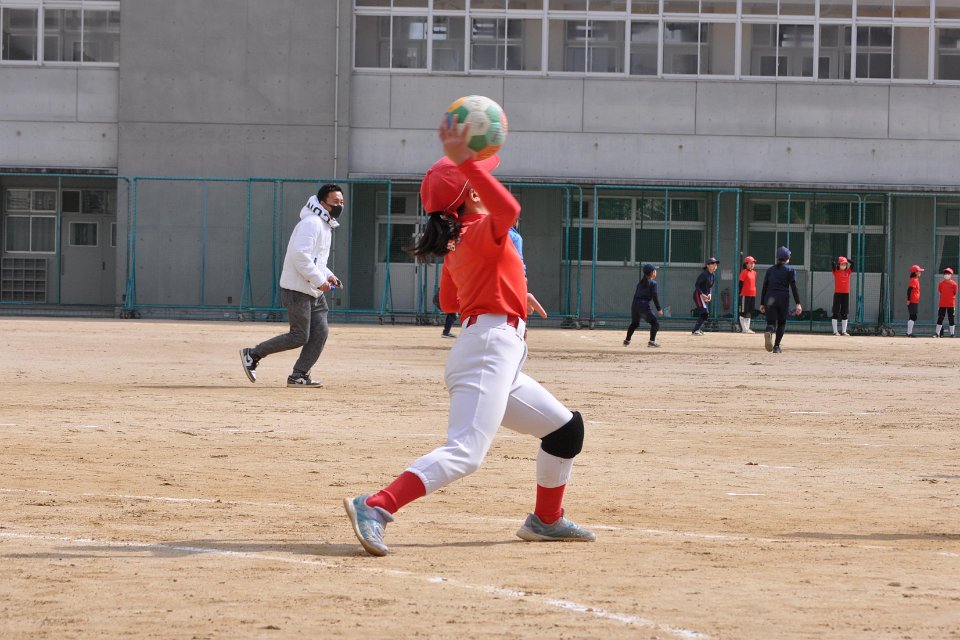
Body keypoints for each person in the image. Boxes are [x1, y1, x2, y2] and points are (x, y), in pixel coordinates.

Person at [343, 115, 595, 557]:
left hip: (495, 350)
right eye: (481, 180)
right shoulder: (481, 228)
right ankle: (377, 505)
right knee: (465, 453)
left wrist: (507, 287)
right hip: (489, 350)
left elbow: (449, 301)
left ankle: (546, 520)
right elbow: (509, 210)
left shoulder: (459, 239)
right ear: (473, 193)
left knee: (565, 430)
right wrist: (466, 161)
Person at [239, 184, 344, 387]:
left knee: (320, 332)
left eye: (342, 202)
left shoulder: (324, 225)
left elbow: (316, 261)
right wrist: (320, 281)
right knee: (299, 336)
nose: (340, 205)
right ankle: (253, 354)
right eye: (335, 202)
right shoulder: (312, 223)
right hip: (297, 290)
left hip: (313, 290)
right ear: (322, 203)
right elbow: (300, 256)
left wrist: (329, 276)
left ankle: (299, 375)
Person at [759, 246, 803, 353]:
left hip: (770, 297)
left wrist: (762, 303)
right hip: (782, 298)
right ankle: (776, 346)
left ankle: (769, 331)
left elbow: (764, 286)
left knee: (771, 322)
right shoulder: (790, 270)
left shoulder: (770, 270)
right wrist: (798, 303)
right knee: (782, 322)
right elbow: (794, 287)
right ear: (787, 258)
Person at [623, 263, 663, 348]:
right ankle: (651, 342)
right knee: (655, 324)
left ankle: (627, 340)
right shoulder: (653, 283)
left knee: (635, 323)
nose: (656, 272)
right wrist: (659, 309)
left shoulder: (640, 283)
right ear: (652, 272)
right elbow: (655, 296)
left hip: (635, 305)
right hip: (643, 305)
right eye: (655, 270)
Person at [691, 257, 719, 335]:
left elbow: (710, 287)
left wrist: (709, 294)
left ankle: (697, 329)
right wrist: (702, 294)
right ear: (708, 265)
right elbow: (697, 285)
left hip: (704, 296)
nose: (715, 265)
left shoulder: (713, 275)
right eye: (713, 264)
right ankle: (695, 330)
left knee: (704, 314)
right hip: (698, 295)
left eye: (716, 264)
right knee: (705, 313)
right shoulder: (704, 274)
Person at [831, 256, 855, 336]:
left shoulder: (848, 271)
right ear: (839, 264)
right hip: (837, 294)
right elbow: (832, 263)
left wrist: (846, 259)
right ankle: (835, 331)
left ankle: (844, 331)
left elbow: (853, 263)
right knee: (835, 312)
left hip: (846, 294)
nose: (843, 265)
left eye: (845, 264)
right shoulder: (836, 271)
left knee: (844, 313)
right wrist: (838, 259)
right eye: (841, 264)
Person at [935, 267, 957, 338]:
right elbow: (940, 291)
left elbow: (954, 292)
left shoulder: (954, 284)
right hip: (942, 304)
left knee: (951, 318)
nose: (946, 274)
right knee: (940, 318)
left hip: (951, 304)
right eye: (945, 273)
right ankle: (937, 333)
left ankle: (952, 334)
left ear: (951, 275)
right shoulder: (941, 283)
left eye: (948, 273)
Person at [738, 256, 757, 334]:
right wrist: (740, 293)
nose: (752, 264)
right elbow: (740, 284)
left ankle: (747, 328)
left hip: (752, 294)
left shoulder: (754, 273)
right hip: (744, 295)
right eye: (751, 263)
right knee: (743, 311)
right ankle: (744, 329)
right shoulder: (744, 272)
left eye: (753, 263)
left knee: (749, 311)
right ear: (746, 264)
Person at [906, 264, 924, 338]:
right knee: (913, 316)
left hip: (914, 300)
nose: (920, 272)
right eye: (919, 271)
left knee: (913, 316)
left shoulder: (915, 279)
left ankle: (909, 332)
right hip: (912, 300)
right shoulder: (914, 280)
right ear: (915, 272)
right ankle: (909, 333)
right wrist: (908, 300)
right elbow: (909, 290)